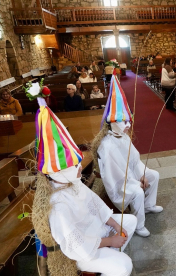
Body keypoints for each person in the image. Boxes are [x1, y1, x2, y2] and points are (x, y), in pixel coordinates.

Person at [28, 87, 137, 276]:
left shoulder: (72, 183)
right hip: (85, 251)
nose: (80, 168)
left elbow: (96, 204)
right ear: (58, 171)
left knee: (129, 221)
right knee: (124, 265)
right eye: (74, 165)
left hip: (98, 231)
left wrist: (115, 225)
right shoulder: (57, 204)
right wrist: (109, 241)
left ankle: (111, 255)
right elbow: (76, 243)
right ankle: (111, 260)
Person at [93, 75, 163, 238]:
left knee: (154, 175)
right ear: (112, 122)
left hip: (131, 177)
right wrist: (136, 181)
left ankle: (148, 205)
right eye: (124, 122)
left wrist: (142, 174)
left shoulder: (123, 137)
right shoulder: (107, 146)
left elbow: (134, 160)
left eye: (129, 121)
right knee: (138, 191)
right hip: (119, 183)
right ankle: (139, 225)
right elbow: (115, 174)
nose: (128, 126)